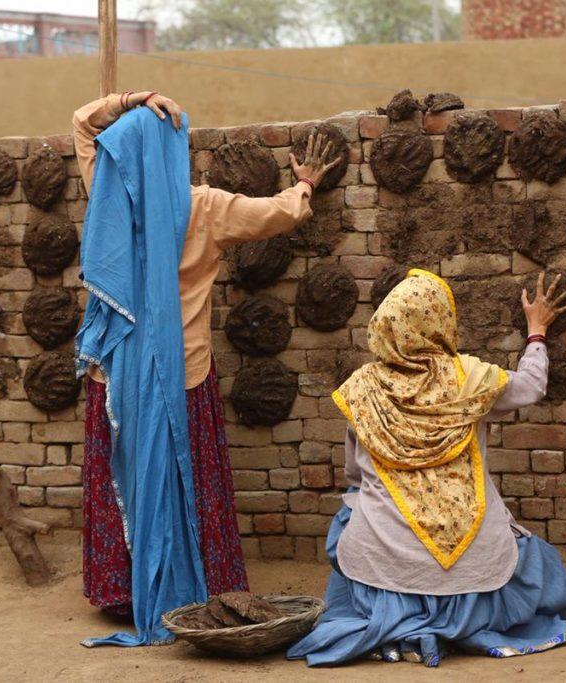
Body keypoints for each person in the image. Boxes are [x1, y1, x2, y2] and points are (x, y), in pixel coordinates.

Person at [71, 91, 341, 627]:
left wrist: (132, 99)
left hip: (118, 375)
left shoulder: (109, 198)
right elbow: (279, 214)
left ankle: (121, 590)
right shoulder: (204, 206)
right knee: (191, 475)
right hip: (183, 372)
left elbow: (83, 123)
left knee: (121, 474)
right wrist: (306, 181)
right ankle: (199, 579)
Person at [288, 268, 566, 667]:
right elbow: (531, 386)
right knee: (536, 565)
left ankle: (397, 620)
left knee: (354, 512)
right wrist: (536, 331)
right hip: (472, 551)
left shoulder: (361, 390)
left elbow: (354, 474)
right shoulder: (470, 380)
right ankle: (462, 618)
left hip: (382, 554)